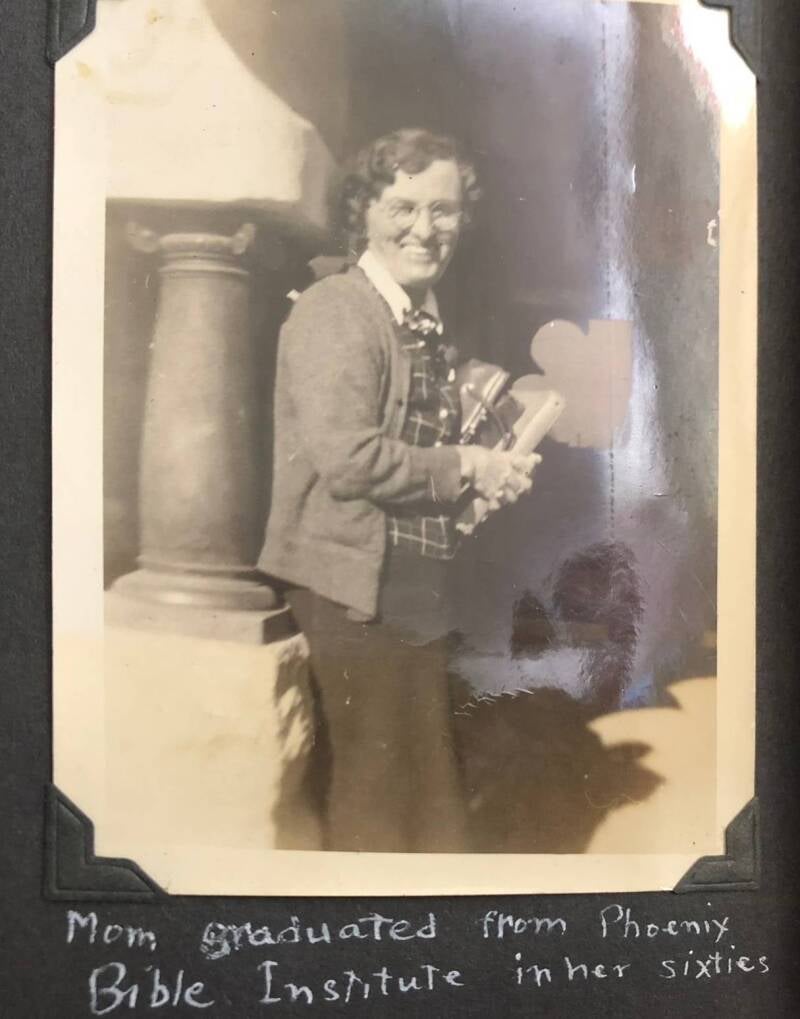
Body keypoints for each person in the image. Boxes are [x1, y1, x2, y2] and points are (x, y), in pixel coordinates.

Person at [259, 128, 539, 852]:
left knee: (429, 789)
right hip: (352, 589)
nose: (424, 228)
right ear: (365, 212)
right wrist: (466, 466)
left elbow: (419, 462)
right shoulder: (337, 310)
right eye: (403, 207)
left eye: (443, 210)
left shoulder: (421, 320)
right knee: (377, 794)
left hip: (413, 584)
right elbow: (349, 460)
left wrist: (486, 482)